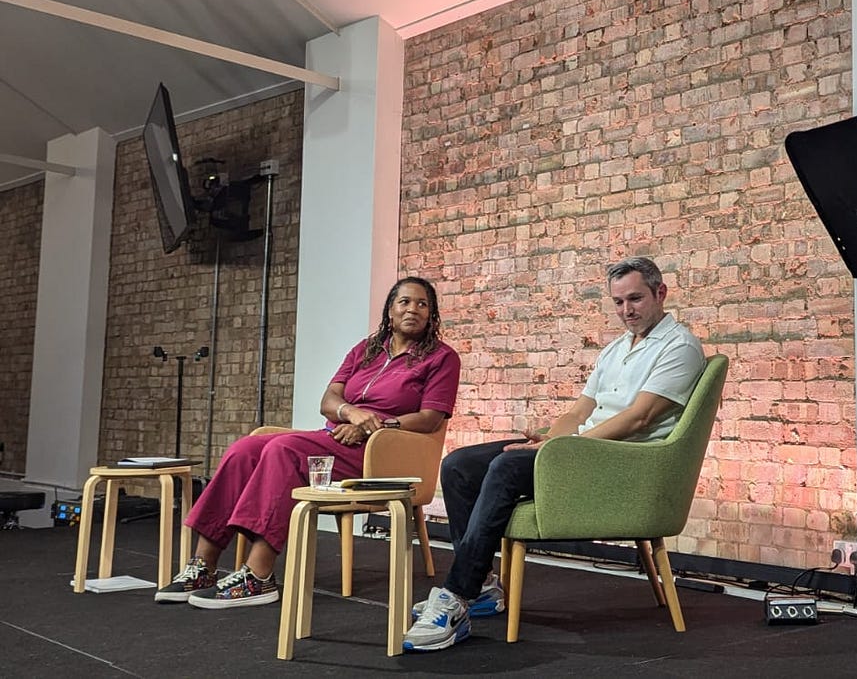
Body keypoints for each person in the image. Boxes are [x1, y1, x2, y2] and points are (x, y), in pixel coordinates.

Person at [403, 256, 705, 652]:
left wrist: (563, 448)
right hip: (581, 451)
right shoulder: (617, 349)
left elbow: (638, 419)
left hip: (624, 465)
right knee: (460, 465)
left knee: (508, 466)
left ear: (660, 293)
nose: (626, 311)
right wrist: (546, 442)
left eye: (635, 299)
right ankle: (482, 588)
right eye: (617, 302)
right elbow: (579, 412)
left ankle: (457, 595)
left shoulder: (679, 347)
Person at [155, 276, 461, 608]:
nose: (412, 309)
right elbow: (329, 401)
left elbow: (431, 418)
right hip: (335, 439)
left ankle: (259, 575)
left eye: (422, 304)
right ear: (390, 310)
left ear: (432, 316)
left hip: (386, 453)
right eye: (404, 301)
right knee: (245, 449)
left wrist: (373, 425)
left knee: (283, 449)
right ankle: (203, 565)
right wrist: (352, 413)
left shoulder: (442, 358)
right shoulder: (365, 350)